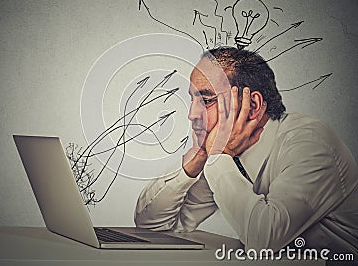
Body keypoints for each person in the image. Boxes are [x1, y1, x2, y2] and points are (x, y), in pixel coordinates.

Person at [134, 46, 358, 256]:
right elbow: (153, 225)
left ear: (252, 105)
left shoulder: (310, 143)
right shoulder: (229, 150)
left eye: (206, 100)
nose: (191, 114)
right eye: (192, 100)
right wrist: (198, 158)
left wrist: (217, 157)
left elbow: (264, 241)